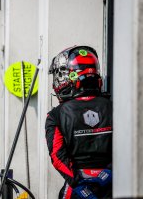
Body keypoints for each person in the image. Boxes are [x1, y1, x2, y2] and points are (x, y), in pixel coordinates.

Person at [45, 46, 112, 199]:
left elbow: (57, 156)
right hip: (113, 183)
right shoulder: (115, 107)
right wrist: (109, 172)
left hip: (77, 188)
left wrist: (78, 184)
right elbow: (129, 147)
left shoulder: (55, 115)